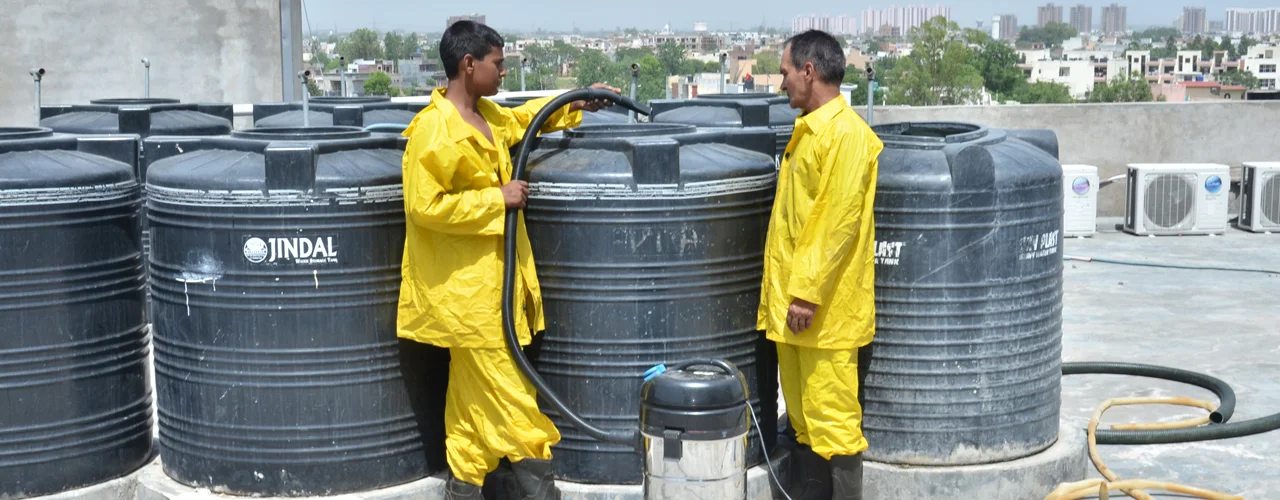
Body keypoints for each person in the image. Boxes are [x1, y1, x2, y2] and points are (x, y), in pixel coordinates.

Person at [396, 21, 618, 500]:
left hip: (492, 288)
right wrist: (496, 199)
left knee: (469, 408)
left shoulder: (487, 117)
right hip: (467, 300)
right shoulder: (434, 132)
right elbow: (423, 207)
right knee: (516, 405)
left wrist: (577, 100)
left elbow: (526, 119)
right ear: (468, 64)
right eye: (497, 64)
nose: (503, 73)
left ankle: (464, 486)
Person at [758, 29, 883, 500]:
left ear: (809, 72)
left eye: (786, 72)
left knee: (835, 427)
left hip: (824, 318)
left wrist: (807, 293)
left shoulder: (846, 136)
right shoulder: (809, 131)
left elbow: (835, 222)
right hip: (795, 313)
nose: (781, 83)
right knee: (807, 425)